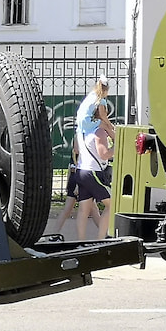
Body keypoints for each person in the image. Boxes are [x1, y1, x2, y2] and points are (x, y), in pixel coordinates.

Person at [74, 106, 115, 241]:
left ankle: (80, 241)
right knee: (112, 204)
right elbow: (104, 154)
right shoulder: (99, 132)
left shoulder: (82, 130)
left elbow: (76, 149)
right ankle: (101, 239)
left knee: (83, 210)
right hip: (94, 172)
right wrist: (117, 147)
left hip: (81, 171)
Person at [52, 140, 100, 234]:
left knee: (92, 209)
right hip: (79, 179)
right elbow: (75, 166)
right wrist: (76, 185)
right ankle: (105, 233)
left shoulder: (82, 144)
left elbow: (72, 165)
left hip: (78, 178)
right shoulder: (84, 147)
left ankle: (54, 233)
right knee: (89, 209)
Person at [76, 75, 115, 139]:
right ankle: (117, 141)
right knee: (105, 126)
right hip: (88, 121)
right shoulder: (100, 100)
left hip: (80, 122)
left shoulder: (91, 95)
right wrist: (111, 126)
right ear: (105, 91)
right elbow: (103, 116)